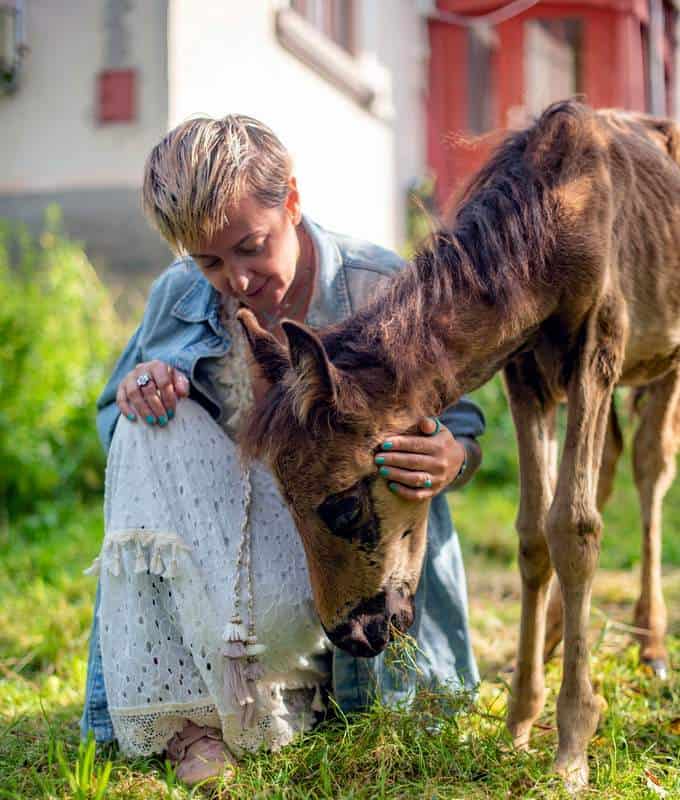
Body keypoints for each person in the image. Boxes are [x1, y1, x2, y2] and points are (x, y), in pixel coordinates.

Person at [81, 115, 485, 785]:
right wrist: (140, 390)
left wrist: (451, 457)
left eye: (250, 247)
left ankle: (316, 689)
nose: (235, 279)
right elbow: (113, 439)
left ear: (291, 200)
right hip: (232, 554)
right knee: (142, 423)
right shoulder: (178, 298)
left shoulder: (379, 285)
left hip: (344, 571)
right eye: (209, 261)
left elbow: (464, 424)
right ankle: (190, 725)